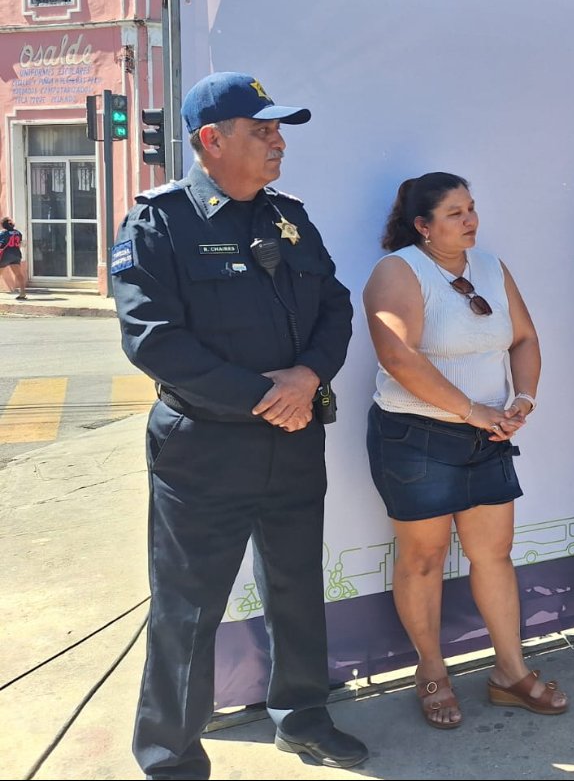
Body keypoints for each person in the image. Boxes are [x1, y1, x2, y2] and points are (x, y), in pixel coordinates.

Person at [113, 72, 367, 779]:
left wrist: (309, 377)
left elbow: (335, 307)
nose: (278, 141)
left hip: (292, 442)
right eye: (263, 130)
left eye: (278, 129)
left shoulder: (288, 216)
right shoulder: (159, 223)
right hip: (205, 451)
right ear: (211, 141)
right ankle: (171, 756)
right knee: (187, 610)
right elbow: (153, 340)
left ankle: (302, 715)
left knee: (296, 585)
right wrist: (267, 395)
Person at [362, 172, 565, 724]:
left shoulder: (492, 268)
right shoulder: (398, 271)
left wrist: (523, 398)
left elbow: (524, 338)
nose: (470, 220)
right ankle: (431, 671)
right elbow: (399, 358)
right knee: (423, 558)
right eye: (455, 213)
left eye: (471, 208)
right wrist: (473, 411)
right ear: (422, 225)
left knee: (492, 555)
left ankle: (510, 673)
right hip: (416, 438)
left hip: (488, 436)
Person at [0, 216, 27, 299]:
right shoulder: (18, 233)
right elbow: (20, 243)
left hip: (5, 256)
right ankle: (22, 293)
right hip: (16, 255)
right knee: (19, 274)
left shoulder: (3, 233)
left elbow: (1, 245)